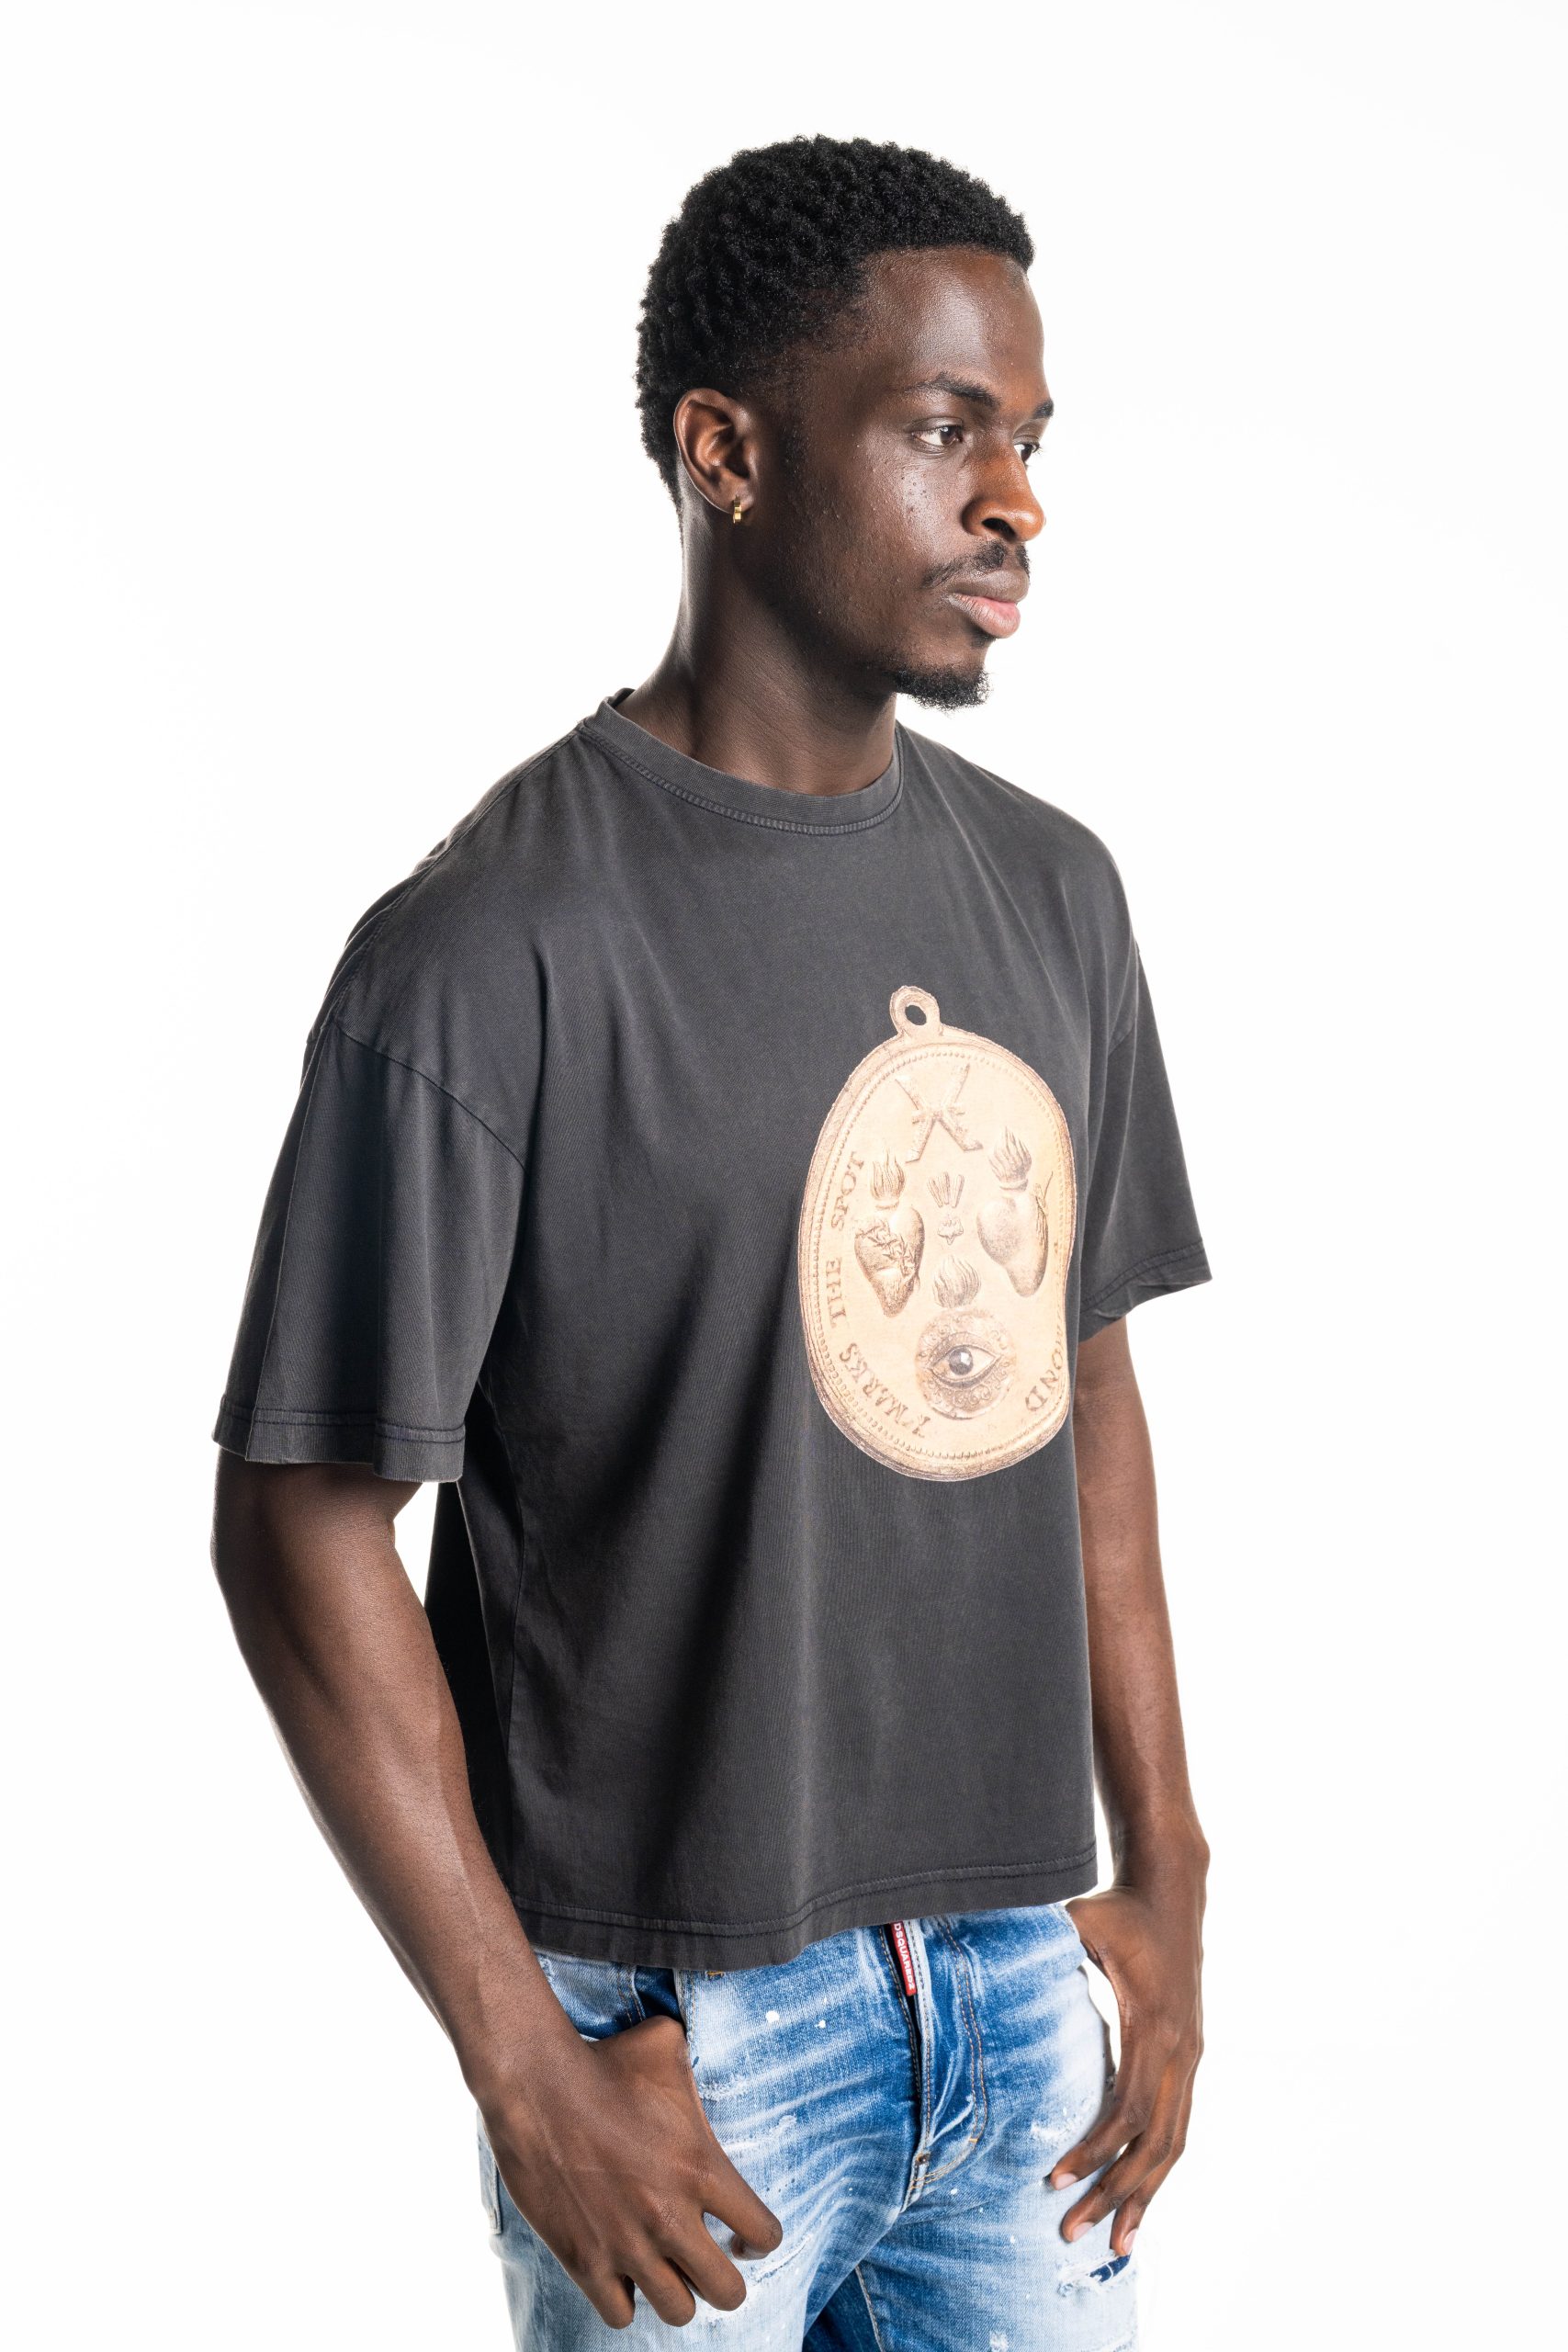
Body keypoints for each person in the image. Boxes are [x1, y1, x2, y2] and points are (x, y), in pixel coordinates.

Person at [211, 133, 1212, 2348]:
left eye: (1028, 440)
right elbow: (299, 1517)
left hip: (1019, 1992)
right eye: (943, 430)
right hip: (678, 2043)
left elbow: (1084, 1381)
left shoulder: (1055, 892)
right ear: (725, 452)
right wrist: (521, 2061)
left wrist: (1166, 1873)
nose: (1015, 504)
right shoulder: (486, 945)